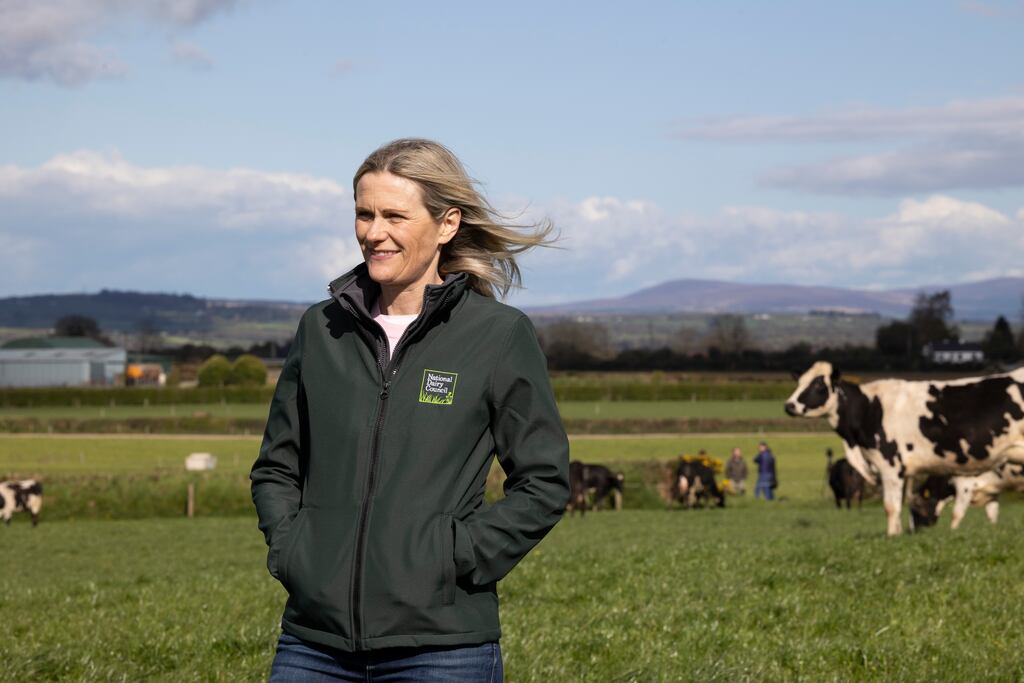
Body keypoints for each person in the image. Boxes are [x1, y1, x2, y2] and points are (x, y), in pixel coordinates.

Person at [250, 138, 570, 681]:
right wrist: (293, 551)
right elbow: (277, 465)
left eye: (394, 215)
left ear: (446, 224)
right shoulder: (320, 329)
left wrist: (456, 557)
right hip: (313, 644)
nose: (374, 232)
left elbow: (543, 481)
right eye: (364, 214)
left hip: (443, 647)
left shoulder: (496, 336)